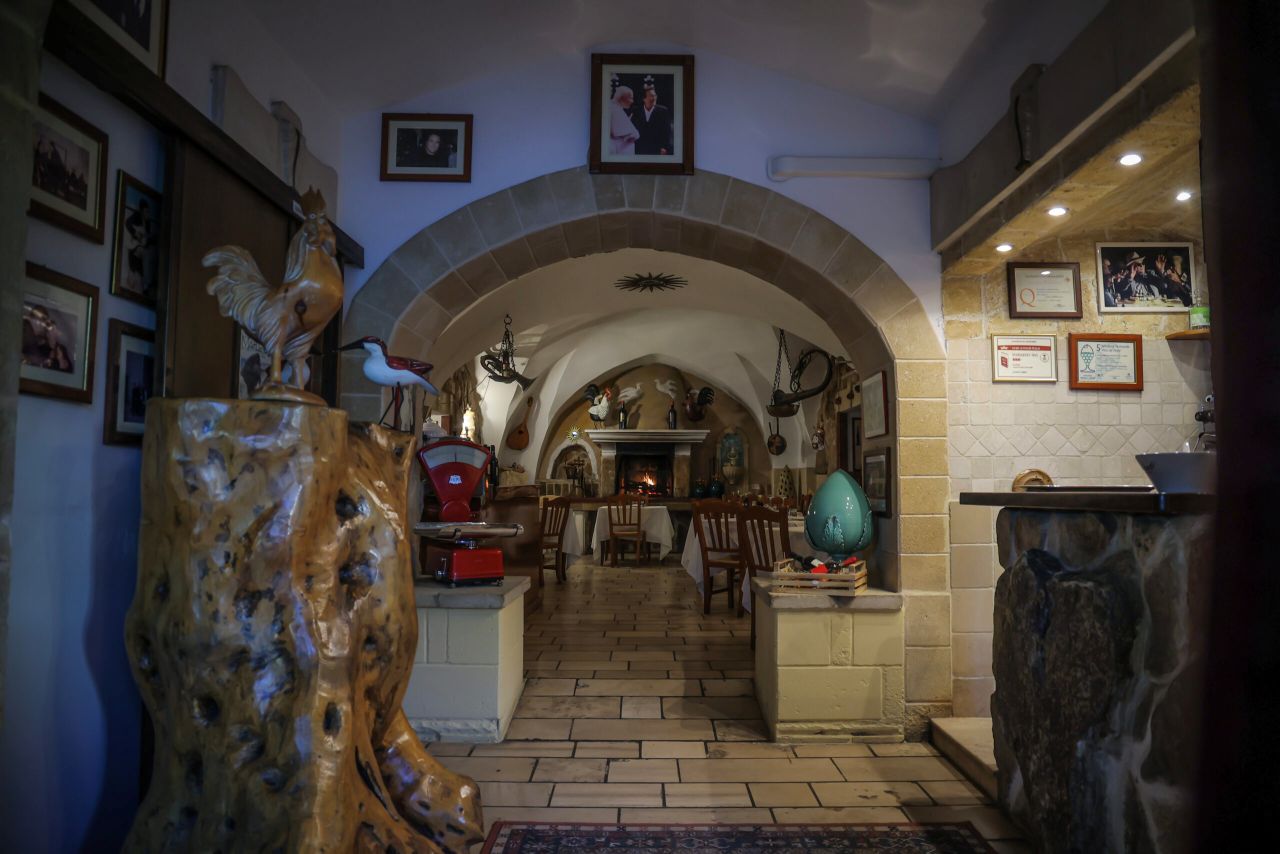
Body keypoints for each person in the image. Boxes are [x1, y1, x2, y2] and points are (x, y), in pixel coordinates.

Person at [632, 85, 672, 155]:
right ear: (644, 99)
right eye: (651, 96)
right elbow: (633, 130)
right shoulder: (636, 111)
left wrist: (664, 147)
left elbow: (667, 131)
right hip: (640, 148)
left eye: (655, 95)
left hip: (657, 148)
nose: (654, 98)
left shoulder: (663, 111)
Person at [609, 86, 639, 155]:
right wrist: (635, 134)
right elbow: (630, 134)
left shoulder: (617, 108)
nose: (632, 101)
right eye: (631, 98)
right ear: (622, 98)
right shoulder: (614, 109)